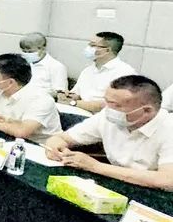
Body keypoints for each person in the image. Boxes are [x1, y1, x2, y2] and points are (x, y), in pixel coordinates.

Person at [45, 75, 173, 191]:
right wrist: (55, 148)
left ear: (146, 111)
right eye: (107, 101)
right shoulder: (107, 117)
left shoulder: (168, 128)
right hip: (118, 184)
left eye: (116, 105)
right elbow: (62, 138)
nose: (108, 109)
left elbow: (167, 180)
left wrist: (95, 166)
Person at [60, 32, 137, 114]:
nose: (88, 48)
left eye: (92, 45)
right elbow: (77, 95)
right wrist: (66, 96)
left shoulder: (125, 73)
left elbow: (108, 106)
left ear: (107, 50)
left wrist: (73, 103)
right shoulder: (88, 70)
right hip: (81, 112)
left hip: (103, 118)